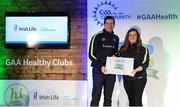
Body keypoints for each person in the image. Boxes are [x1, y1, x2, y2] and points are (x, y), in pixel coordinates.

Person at [89, 16, 119, 106]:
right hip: (98, 70)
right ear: (104, 24)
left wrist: (116, 55)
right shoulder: (97, 36)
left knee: (108, 98)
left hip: (111, 71)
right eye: (107, 23)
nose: (109, 25)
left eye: (111, 23)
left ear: (114, 25)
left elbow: (117, 52)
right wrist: (101, 66)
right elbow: (91, 54)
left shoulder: (116, 38)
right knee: (96, 97)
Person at [117, 28, 149, 106]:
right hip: (127, 79)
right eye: (130, 35)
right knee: (131, 100)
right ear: (127, 37)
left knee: (137, 100)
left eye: (134, 35)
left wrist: (135, 70)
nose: (132, 36)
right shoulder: (122, 49)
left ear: (138, 37)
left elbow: (145, 63)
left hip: (139, 78)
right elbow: (117, 60)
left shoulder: (143, 49)